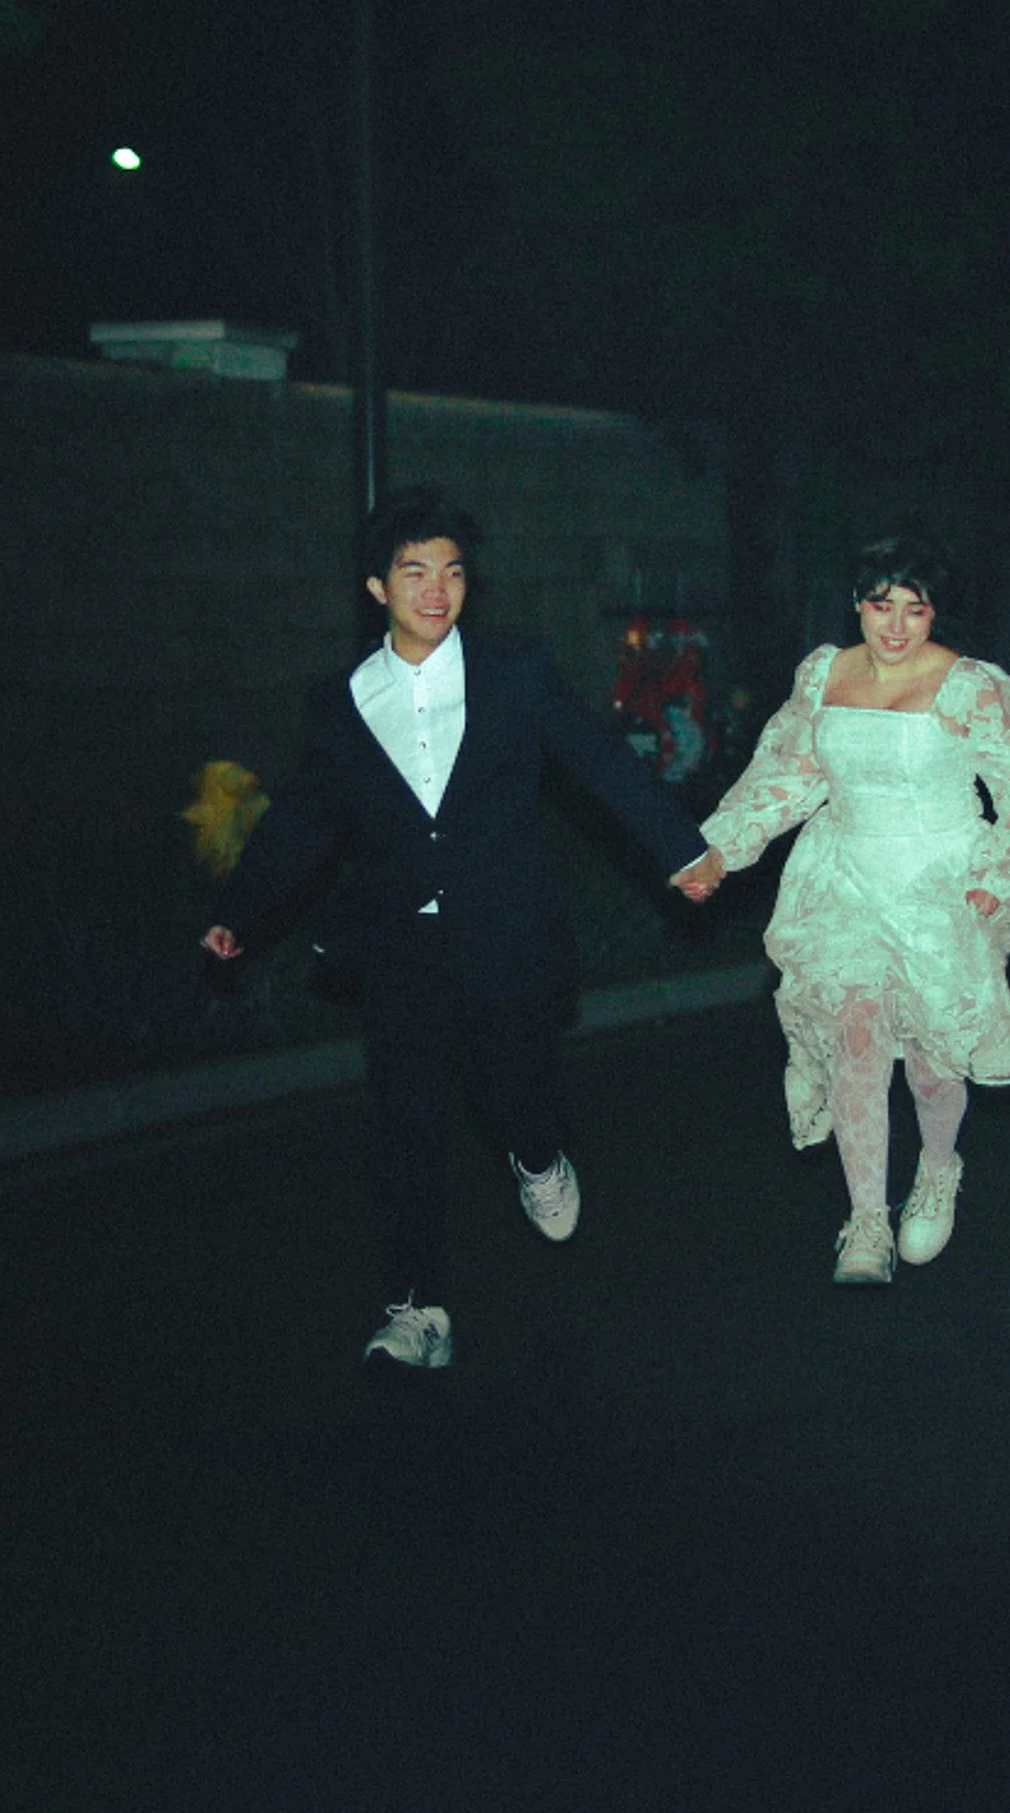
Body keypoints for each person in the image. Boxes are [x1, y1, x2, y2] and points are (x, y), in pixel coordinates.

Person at [202, 486, 711, 1366]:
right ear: (375, 587)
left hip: (504, 927)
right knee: (406, 1120)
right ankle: (414, 1310)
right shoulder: (343, 702)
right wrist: (241, 913)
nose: (436, 591)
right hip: (401, 942)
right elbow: (304, 820)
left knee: (513, 1082)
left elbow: (593, 757)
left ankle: (538, 1153)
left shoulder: (513, 672)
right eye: (413, 572)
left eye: (452, 573)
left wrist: (680, 849)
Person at [676, 536, 1010, 1284]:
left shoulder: (970, 685)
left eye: (914, 610)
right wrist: (722, 850)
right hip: (843, 878)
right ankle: (864, 1223)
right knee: (853, 1043)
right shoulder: (823, 673)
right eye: (879, 605)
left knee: (928, 1065)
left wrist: (999, 872)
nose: (894, 626)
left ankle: (936, 1168)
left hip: (935, 884)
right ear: (856, 603)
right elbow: (787, 772)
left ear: (934, 615)